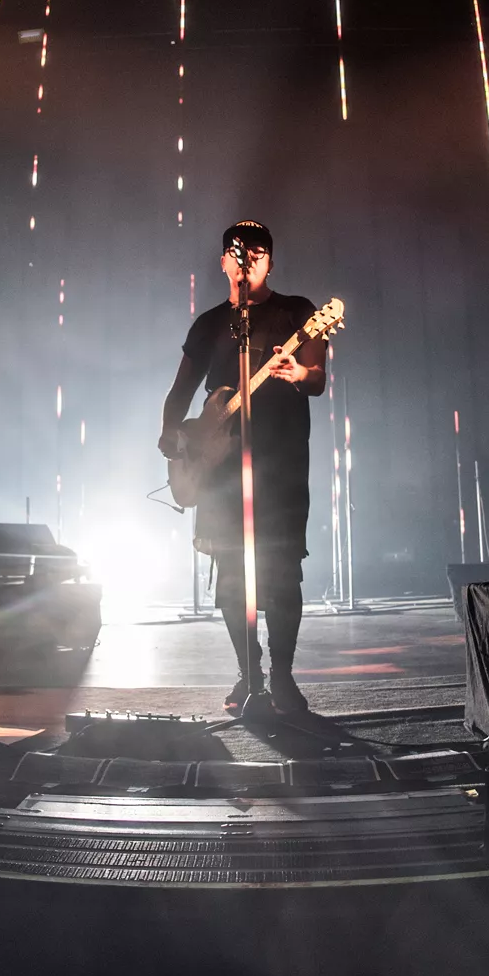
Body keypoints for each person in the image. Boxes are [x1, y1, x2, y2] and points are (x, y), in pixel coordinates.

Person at [158, 220, 326, 715]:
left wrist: (298, 371)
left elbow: (317, 377)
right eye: (238, 253)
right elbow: (181, 391)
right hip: (220, 471)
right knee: (232, 574)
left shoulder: (298, 312)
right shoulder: (210, 324)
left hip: (281, 464)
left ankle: (284, 677)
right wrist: (172, 433)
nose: (246, 260)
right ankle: (248, 672)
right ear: (223, 263)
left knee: (283, 572)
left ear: (269, 262)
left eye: (257, 253)